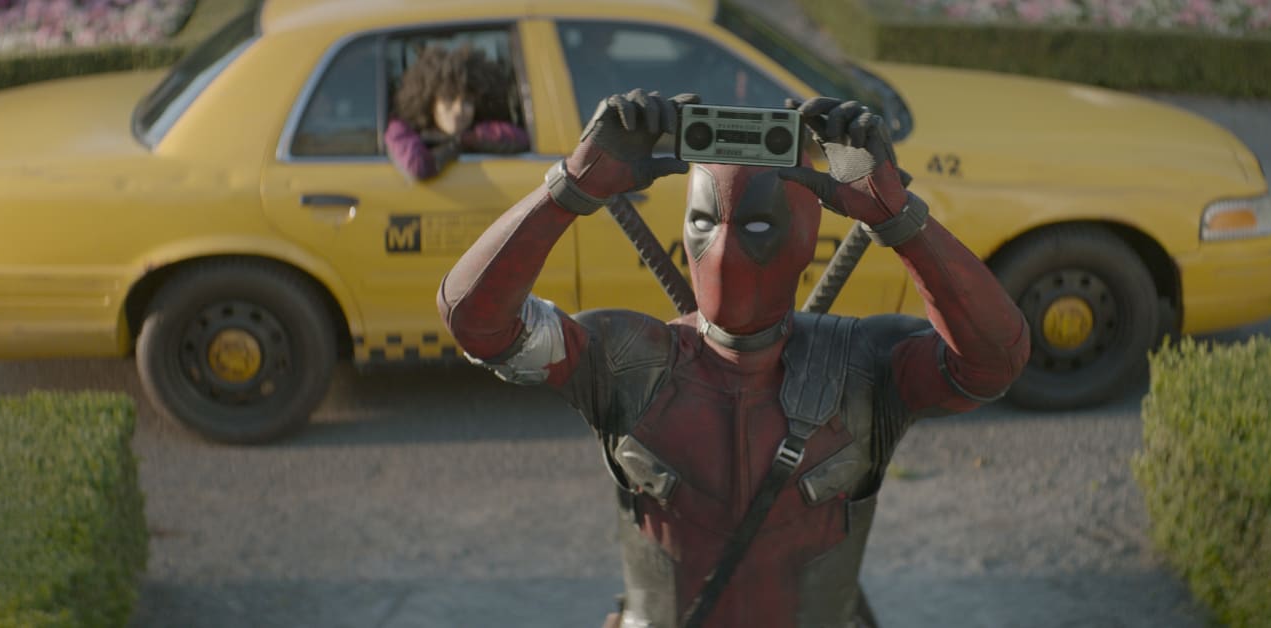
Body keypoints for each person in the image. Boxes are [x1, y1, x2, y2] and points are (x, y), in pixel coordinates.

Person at [437, 89, 1030, 627]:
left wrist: (895, 217)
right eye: (703, 221)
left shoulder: (866, 367)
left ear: (803, 236)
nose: (722, 249)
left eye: (757, 225)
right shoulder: (624, 361)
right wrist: (572, 185)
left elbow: (994, 361)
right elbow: (475, 322)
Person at [386, 45, 529, 182]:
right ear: (429, 103)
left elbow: (520, 138)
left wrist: (466, 139)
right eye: (449, 99)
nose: (458, 110)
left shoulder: (477, 131)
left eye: (467, 102)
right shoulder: (404, 131)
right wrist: (451, 147)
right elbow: (419, 165)